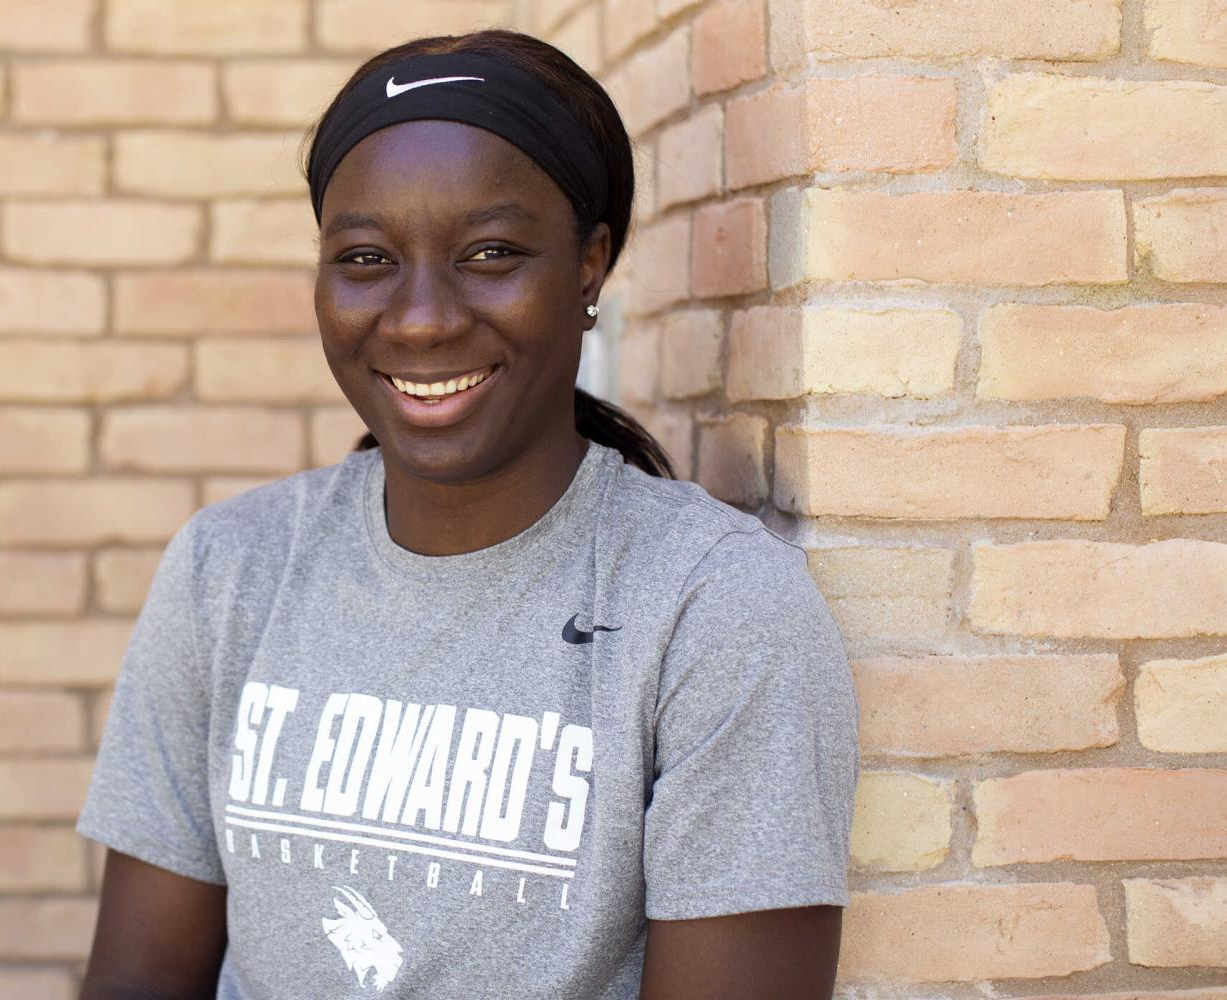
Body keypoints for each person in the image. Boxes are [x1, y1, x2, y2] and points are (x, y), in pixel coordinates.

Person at [75, 28, 859, 1000]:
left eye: (491, 252)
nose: (421, 318)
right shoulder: (230, 568)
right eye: (365, 257)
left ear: (589, 267)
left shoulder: (712, 607)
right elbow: (139, 977)